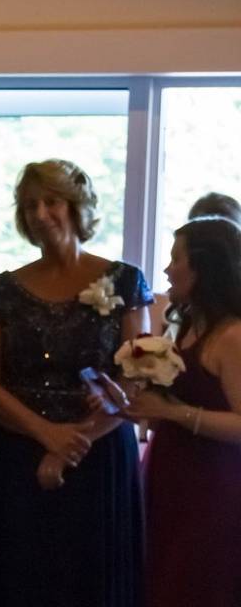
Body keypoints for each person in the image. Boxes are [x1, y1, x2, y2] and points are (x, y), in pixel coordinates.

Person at [0, 159, 150, 606]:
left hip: (99, 453)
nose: (40, 213)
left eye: (52, 201)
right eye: (30, 205)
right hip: (15, 454)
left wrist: (75, 443)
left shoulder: (124, 280)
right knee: (19, 580)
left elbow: (139, 377)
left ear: (76, 206)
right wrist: (47, 434)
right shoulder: (0, 290)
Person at [122, 217, 241, 607]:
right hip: (171, 475)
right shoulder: (188, 324)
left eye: (177, 259)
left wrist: (174, 414)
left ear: (204, 267)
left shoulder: (232, 336)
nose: (167, 269)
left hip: (212, 489)